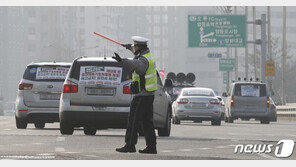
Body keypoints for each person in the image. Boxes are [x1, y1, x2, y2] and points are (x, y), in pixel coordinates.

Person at [112, 36, 158, 154]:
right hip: (148, 94)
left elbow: (136, 65)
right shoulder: (147, 55)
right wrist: (129, 48)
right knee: (147, 121)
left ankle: (130, 145)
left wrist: (122, 61)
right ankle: (152, 147)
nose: (133, 47)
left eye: (135, 45)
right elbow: (136, 56)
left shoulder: (143, 60)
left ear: (140, 47)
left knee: (133, 119)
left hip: (142, 95)